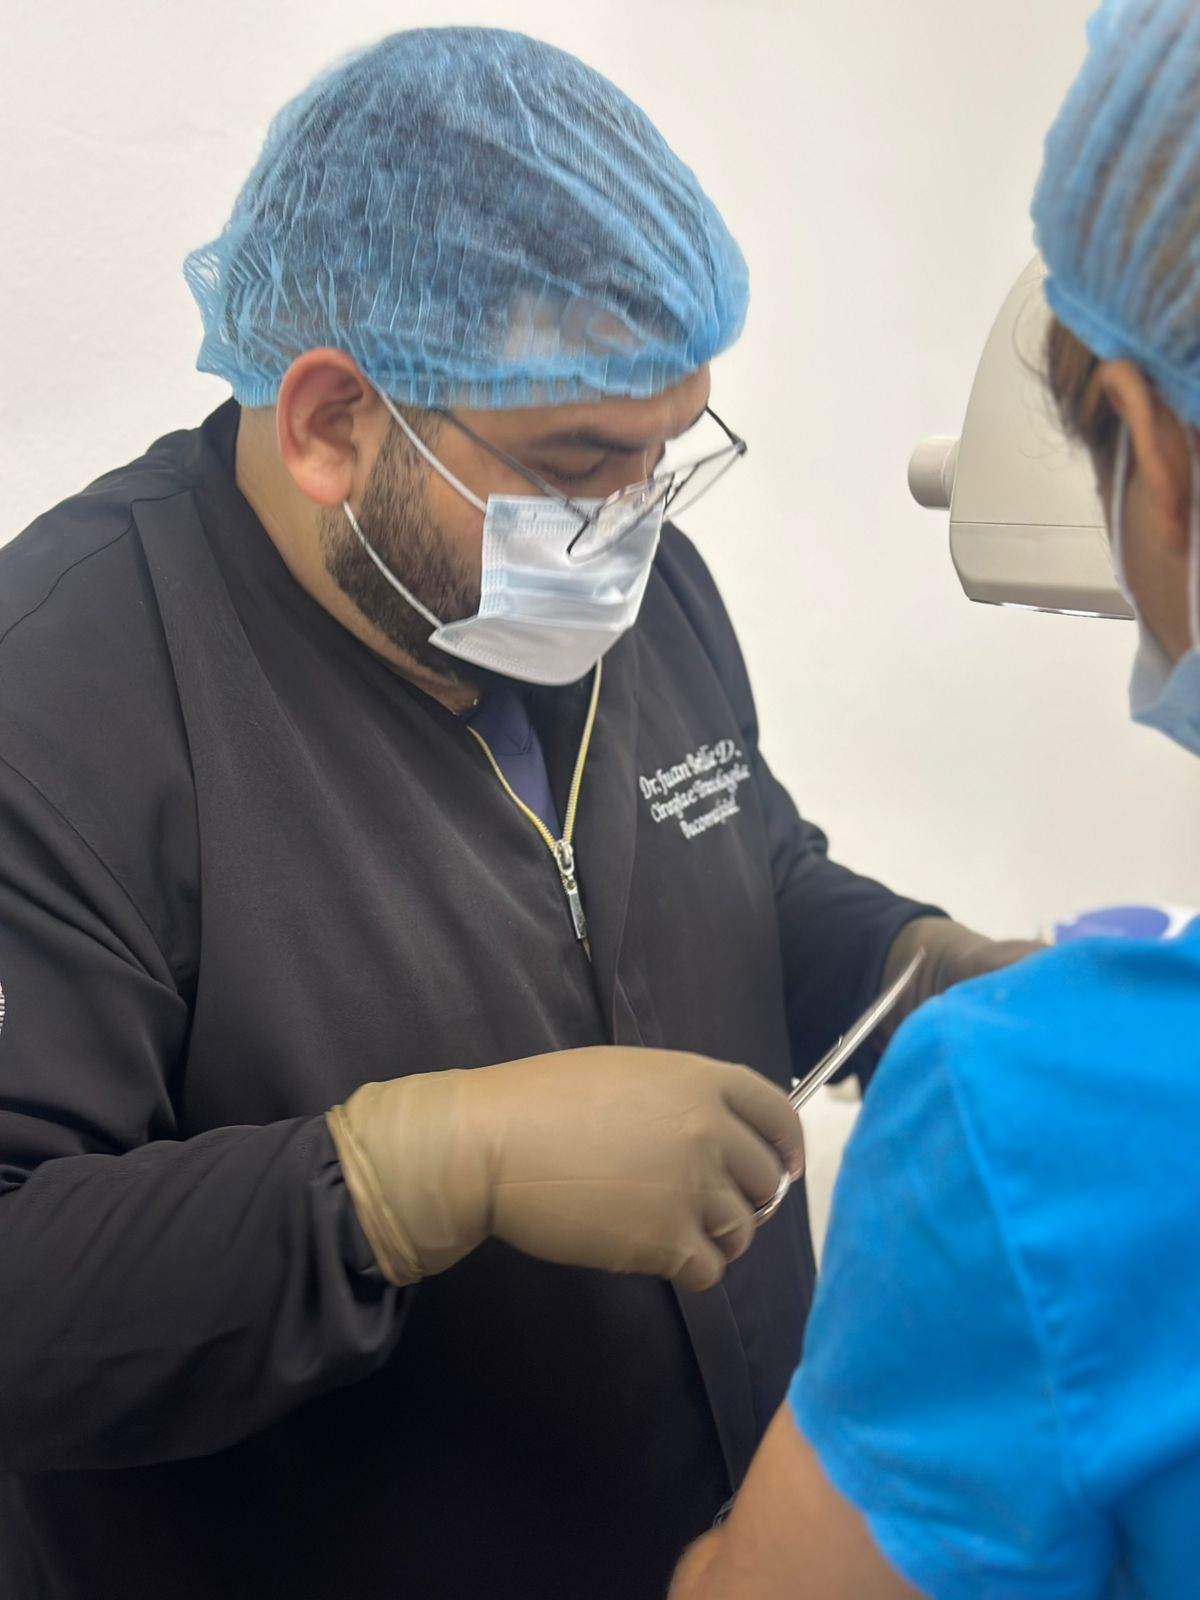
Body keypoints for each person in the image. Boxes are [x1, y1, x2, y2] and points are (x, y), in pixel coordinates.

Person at [0, 28, 1033, 1600]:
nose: (631, 524)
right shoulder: (66, 691)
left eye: (666, 456)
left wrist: (913, 971)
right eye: (580, 465)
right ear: (333, 418)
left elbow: (733, 859)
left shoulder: (607, 577)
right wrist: (417, 1173)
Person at [668, 3, 1200, 1596]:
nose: (621, 515)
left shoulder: (1050, 1126)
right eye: (572, 460)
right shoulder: (74, 656)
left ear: (1150, 454)